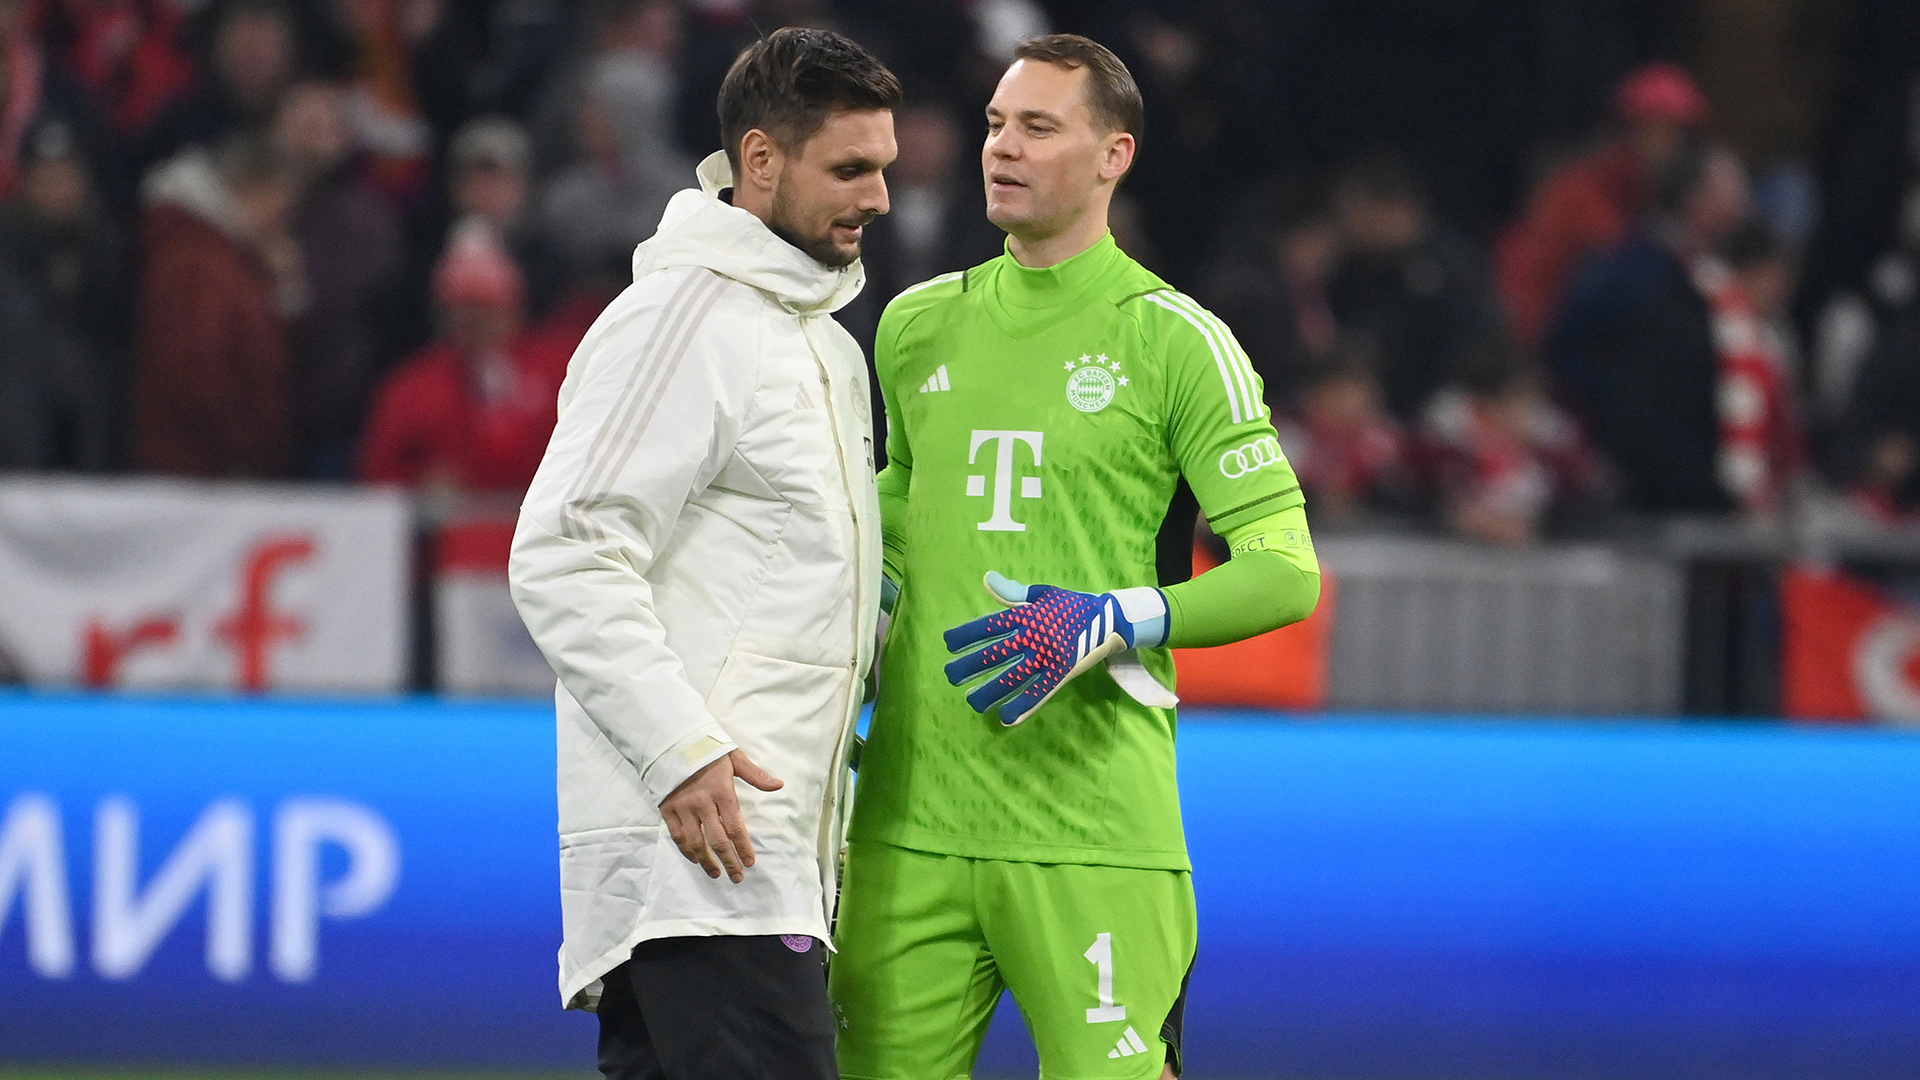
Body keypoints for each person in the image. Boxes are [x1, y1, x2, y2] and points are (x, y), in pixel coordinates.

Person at [830, 34, 1321, 1080]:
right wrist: (852, 632)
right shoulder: (916, 328)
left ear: (1115, 156)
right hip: (907, 825)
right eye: (997, 125)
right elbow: (904, 512)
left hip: (1093, 831)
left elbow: (1287, 568)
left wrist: (1115, 617)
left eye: (1040, 128)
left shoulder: (1177, 342)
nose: (1002, 148)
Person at [507, 27, 898, 1080]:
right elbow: (565, 548)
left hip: (760, 862)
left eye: (885, 168)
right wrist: (680, 749)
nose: (880, 198)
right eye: (850, 169)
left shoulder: (812, 337)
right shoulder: (685, 318)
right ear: (761, 161)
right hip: (710, 858)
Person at [1550, 136, 1750, 515]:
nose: (1743, 200)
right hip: (1643, 491)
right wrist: (1615, 420)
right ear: (1695, 200)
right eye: (1731, 188)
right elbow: (1567, 347)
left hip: (1706, 482)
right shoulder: (1630, 273)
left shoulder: (1719, 277)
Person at [1495, 62, 1712, 349]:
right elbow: (1536, 282)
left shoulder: (1680, 197)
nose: (1663, 146)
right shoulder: (1577, 190)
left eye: (1674, 134)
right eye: (1652, 130)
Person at [129, 135, 303, 477]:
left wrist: (286, 289)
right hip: (198, 471)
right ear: (248, 189)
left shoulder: (229, 257)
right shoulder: (199, 261)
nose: (281, 220)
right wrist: (246, 448)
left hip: (211, 465)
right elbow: (196, 370)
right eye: (278, 203)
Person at [356, 222, 565, 495]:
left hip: (540, 526)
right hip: (446, 533)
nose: (478, 326)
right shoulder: (412, 388)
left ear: (514, 312)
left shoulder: (555, 374)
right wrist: (417, 487)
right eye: (466, 314)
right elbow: (377, 472)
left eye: (489, 312)